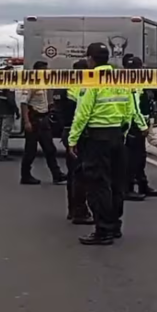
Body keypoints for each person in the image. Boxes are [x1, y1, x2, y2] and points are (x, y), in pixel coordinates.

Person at [68, 42, 133, 245]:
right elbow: (129, 109)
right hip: (117, 136)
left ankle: (103, 230)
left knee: (98, 184)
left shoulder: (92, 80)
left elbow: (83, 113)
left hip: (97, 138)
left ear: (90, 59)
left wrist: (73, 139)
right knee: (116, 183)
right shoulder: (120, 80)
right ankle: (114, 226)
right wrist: (123, 130)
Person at [54, 59, 93, 225]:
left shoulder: (64, 85)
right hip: (77, 131)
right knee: (80, 173)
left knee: (73, 172)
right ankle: (79, 211)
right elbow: (82, 112)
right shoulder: (81, 88)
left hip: (67, 129)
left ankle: (73, 209)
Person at [20, 61, 67, 186]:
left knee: (50, 149)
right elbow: (24, 103)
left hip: (44, 119)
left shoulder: (44, 84)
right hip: (34, 119)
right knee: (30, 150)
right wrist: (27, 122)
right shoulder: (31, 84)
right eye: (44, 70)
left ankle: (57, 175)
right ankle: (25, 176)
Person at [123, 56, 157, 200]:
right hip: (132, 125)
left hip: (138, 122)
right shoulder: (129, 83)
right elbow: (133, 109)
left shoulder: (138, 82)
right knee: (132, 159)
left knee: (140, 157)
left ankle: (142, 184)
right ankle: (128, 188)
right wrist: (142, 125)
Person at [0, 65, 20, 161]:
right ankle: (4, 153)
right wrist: (16, 110)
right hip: (8, 111)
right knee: (5, 132)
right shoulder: (9, 83)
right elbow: (11, 99)